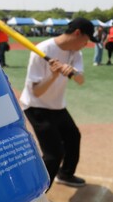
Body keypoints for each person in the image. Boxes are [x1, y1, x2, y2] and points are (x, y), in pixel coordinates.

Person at [19, 18, 99, 189]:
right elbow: (36, 91)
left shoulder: (75, 52)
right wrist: (53, 75)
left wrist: (72, 72)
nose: (86, 44)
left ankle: (65, 174)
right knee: (54, 154)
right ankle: (37, 192)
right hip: (36, 106)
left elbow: (80, 80)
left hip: (57, 105)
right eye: (86, 40)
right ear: (77, 33)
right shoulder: (42, 50)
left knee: (73, 137)